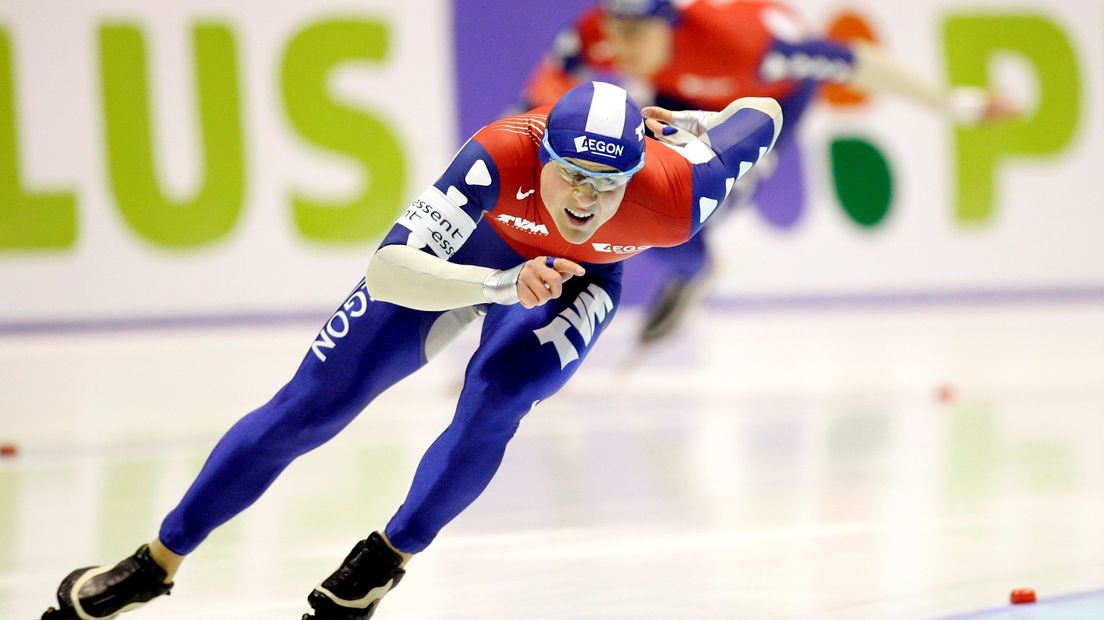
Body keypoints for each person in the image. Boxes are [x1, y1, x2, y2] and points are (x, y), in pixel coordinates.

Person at [40, 81, 783, 619]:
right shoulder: (497, 155)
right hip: (476, 257)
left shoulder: (683, 191)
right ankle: (154, 563)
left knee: (498, 397)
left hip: (575, 280)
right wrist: (497, 284)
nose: (586, 202)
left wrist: (697, 120)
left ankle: (383, 561)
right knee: (311, 408)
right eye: (571, 176)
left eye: (608, 184)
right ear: (541, 150)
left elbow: (767, 113)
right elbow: (389, 268)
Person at [524, 0, 1016, 344]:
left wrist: (956, 104)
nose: (619, 47)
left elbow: (858, 63)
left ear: (669, 24)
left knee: (684, 212)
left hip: (763, 104)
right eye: (614, 29)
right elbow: (550, 81)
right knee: (624, 201)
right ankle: (691, 271)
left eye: (633, 34)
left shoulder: (751, 45)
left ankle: (698, 268)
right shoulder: (598, 31)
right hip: (680, 98)